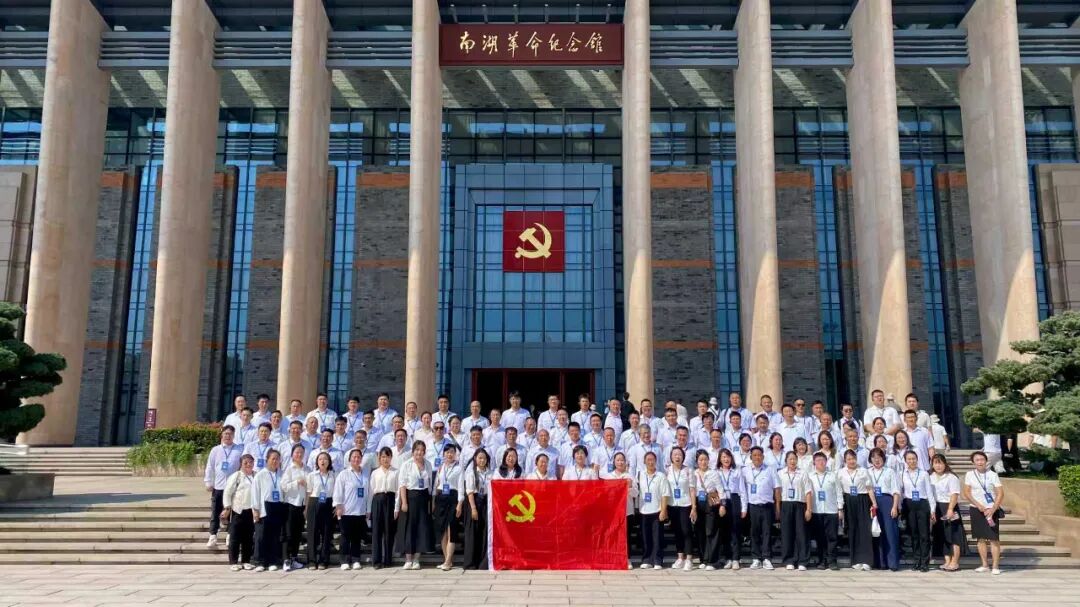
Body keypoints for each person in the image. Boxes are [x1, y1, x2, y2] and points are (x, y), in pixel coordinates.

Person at [963, 450, 1005, 575]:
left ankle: (995, 566)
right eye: (977, 460)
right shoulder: (969, 474)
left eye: (982, 459)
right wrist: (978, 505)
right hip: (976, 509)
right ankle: (985, 564)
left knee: (993, 538)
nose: (980, 462)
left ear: (986, 461)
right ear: (973, 462)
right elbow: (967, 493)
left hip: (991, 510)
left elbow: (1000, 493)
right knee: (980, 538)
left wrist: (993, 509)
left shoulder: (993, 474)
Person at [204, 426, 243, 549]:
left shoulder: (239, 450)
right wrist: (208, 481)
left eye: (230, 434)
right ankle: (213, 535)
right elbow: (210, 467)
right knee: (216, 511)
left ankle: (230, 535)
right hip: (219, 486)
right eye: (226, 433)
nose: (228, 436)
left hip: (233, 487)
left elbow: (242, 467)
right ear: (222, 435)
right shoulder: (215, 450)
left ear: (234, 435)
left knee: (233, 512)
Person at [396, 441, 434, 569]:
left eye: (422, 450)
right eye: (417, 449)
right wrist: (404, 502)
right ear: (413, 451)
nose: (419, 452)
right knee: (409, 528)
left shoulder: (428, 464)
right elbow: (402, 485)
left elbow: (430, 484)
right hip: (410, 497)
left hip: (424, 497)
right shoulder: (407, 464)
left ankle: (417, 559)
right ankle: (408, 559)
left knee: (421, 528)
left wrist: (431, 501)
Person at [837, 449, 876, 571]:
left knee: (864, 530)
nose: (851, 461)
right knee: (852, 530)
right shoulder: (840, 473)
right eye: (849, 459)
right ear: (845, 460)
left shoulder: (863, 471)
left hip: (862, 500)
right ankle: (855, 560)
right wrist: (840, 507)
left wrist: (874, 503)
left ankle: (867, 561)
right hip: (848, 501)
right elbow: (839, 491)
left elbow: (869, 488)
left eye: (853, 458)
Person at [742, 446, 779, 570]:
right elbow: (742, 490)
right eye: (755, 455)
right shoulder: (745, 470)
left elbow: (777, 488)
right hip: (753, 506)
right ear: (751, 457)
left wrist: (777, 507)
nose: (757, 457)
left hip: (767, 505)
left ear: (763, 457)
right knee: (754, 532)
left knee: (767, 532)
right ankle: (756, 558)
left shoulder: (770, 470)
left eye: (759, 455)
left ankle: (767, 558)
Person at [333, 449, 370, 570]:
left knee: (356, 537)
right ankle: (344, 560)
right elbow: (338, 491)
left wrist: (368, 509)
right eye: (354, 457)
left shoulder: (365, 473)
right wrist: (338, 505)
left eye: (358, 457)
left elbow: (369, 493)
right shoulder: (344, 474)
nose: (356, 459)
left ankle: (355, 559)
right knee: (345, 536)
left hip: (360, 511)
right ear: (349, 459)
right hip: (346, 510)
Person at [250, 448, 286, 572]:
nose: (275, 461)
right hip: (264, 507)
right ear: (267, 460)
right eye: (273, 459)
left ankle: (272, 561)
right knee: (261, 536)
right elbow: (255, 493)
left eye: (277, 459)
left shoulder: (282, 474)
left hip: (278, 506)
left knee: (275, 535)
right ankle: (259, 561)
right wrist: (255, 510)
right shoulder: (260, 475)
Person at [601, 451, 637, 570]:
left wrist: (629, 487)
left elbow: (636, 494)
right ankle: (612, 558)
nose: (620, 462)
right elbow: (605, 494)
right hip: (613, 512)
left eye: (622, 460)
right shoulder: (609, 477)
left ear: (625, 462)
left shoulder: (630, 476)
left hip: (627, 511)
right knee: (613, 535)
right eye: (618, 460)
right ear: (614, 462)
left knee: (627, 536)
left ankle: (627, 558)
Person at [868, 447, 901, 571]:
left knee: (890, 532)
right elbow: (868, 488)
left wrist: (895, 506)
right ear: (870, 459)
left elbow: (896, 490)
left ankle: (892, 563)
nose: (877, 460)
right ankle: (880, 562)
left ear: (883, 458)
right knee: (876, 532)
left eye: (879, 457)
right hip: (872, 501)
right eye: (874, 457)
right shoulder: (867, 472)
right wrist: (873, 503)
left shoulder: (890, 471)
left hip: (887, 501)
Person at [221, 453, 256, 570]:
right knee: (235, 537)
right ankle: (233, 562)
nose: (248, 464)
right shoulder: (236, 476)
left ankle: (246, 560)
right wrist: (227, 507)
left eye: (250, 462)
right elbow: (227, 493)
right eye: (245, 463)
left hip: (250, 511)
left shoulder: (256, 475)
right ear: (241, 464)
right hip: (237, 510)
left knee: (248, 537)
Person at [901, 450, 935, 572]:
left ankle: (925, 562)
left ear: (917, 459)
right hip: (909, 505)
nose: (912, 461)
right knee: (914, 534)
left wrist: (932, 509)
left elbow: (929, 492)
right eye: (909, 459)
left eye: (914, 458)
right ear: (905, 461)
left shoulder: (924, 474)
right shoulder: (902, 474)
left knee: (924, 535)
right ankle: (917, 560)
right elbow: (901, 492)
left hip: (922, 504)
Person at [807, 452, 841, 570]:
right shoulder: (810, 476)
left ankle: (832, 561)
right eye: (818, 460)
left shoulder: (833, 475)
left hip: (831, 510)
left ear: (826, 462)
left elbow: (839, 492)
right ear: (814, 463)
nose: (821, 462)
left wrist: (840, 508)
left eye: (823, 460)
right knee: (819, 537)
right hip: (816, 511)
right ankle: (821, 560)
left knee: (832, 537)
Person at [930, 453, 964, 572]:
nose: (938, 466)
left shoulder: (951, 477)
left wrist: (950, 509)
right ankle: (947, 561)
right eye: (935, 463)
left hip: (949, 506)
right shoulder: (930, 476)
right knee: (942, 534)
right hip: (936, 507)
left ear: (945, 464)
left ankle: (955, 562)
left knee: (954, 535)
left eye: (940, 463)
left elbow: (954, 494)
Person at [778, 451, 811, 571]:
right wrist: (777, 508)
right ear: (786, 461)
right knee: (787, 533)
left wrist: (809, 509)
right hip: (785, 504)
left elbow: (808, 492)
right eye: (790, 459)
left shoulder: (803, 473)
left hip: (800, 504)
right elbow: (777, 492)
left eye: (794, 459)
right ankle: (789, 560)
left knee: (801, 533)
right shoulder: (780, 473)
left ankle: (803, 560)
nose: (792, 461)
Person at [691, 449, 723, 571]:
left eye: (705, 459)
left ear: (709, 460)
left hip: (711, 503)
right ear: (697, 461)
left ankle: (712, 560)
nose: (703, 462)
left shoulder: (713, 473)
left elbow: (720, 489)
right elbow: (692, 490)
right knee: (700, 532)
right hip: (698, 503)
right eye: (701, 460)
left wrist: (722, 505)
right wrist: (693, 507)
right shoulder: (694, 473)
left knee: (711, 531)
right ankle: (703, 559)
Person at [637, 451, 669, 569]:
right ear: (644, 462)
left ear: (656, 461)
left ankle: (657, 560)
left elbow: (665, 494)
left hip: (657, 510)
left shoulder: (661, 476)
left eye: (652, 460)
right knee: (645, 537)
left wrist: (663, 510)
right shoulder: (640, 475)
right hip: (644, 510)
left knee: (657, 537)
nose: (650, 462)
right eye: (648, 460)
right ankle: (646, 559)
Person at [278, 443, 308, 571]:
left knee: (297, 534)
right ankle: (286, 559)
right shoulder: (289, 469)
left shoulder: (307, 469)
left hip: (302, 505)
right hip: (290, 504)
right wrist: (296, 482)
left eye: (301, 452)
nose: (299, 454)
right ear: (292, 455)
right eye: (297, 452)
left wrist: (307, 507)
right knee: (288, 534)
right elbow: (283, 486)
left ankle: (294, 558)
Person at [432, 444, 463, 571]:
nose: (449, 454)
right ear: (443, 454)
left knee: (451, 530)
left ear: (455, 454)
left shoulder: (459, 468)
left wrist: (460, 504)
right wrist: (433, 501)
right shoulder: (440, 468)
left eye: (452, 452)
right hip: (441, 499)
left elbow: (461, 487)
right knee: (443, 531)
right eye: (447, 452)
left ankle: (448, 560)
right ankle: (447, 561)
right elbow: (436, 486)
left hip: (453, 499)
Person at [461, 449, 493, 570]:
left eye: (484, 458)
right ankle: (470, 563)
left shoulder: (490, 473)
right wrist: (473, 508)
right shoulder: (471, 473)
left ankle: (482, 562)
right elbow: (469, 492)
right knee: (472, 533)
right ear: (475, 459)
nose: (482, 460)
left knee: (484, 532)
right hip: (473, 502)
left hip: (486, 502)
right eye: (480, 458)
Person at [304, 451, 336, 570]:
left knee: (327, 533)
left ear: (329, 462)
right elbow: (308, 493)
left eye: (325, 459)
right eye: (320, 459)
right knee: (312, 533)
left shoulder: (333, 475)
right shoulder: (312, 475)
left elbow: (336, 492)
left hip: (328, 503)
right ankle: (312, 561)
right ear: (317, 462)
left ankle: (324, 560)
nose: (323, 461)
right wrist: (306, 508)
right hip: (314, 502)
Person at [368, 447, 399, 569]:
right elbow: (371, 492)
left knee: (389, 531)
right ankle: (376, 561)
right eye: (383, 457)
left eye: (388, 456)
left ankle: (388, 560)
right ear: (379, 458)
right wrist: (368, 509)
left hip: (390, 501)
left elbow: (398, 491)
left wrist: (396, 508)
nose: (385, 459)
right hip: (377, 500)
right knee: (377, 532)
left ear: (391, 458)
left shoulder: (395, 472)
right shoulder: (375, 473)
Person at [665, 446, 694, 571]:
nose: (677, 457)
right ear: (671, 457)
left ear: (683, 457)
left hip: (685, 504)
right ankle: (680, 557)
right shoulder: (667, 470)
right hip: (672, 504)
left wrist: (694, 507)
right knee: (677, 531)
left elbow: (692, 489)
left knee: (686, 531)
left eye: (679, 454)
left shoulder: (688, 470)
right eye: (675, 454)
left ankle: (689, 558)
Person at [716, 449, 745, 569]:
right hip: (722, 500)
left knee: (735, 530)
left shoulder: (737, 471)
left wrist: (744, 508)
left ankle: (736, 558)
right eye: (723, 457)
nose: (726, 459)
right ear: (720, 459)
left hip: (734, 499)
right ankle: (727, 558)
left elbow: (742, 490)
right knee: (724, 530)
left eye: (728, 457)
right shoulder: (716, 472)